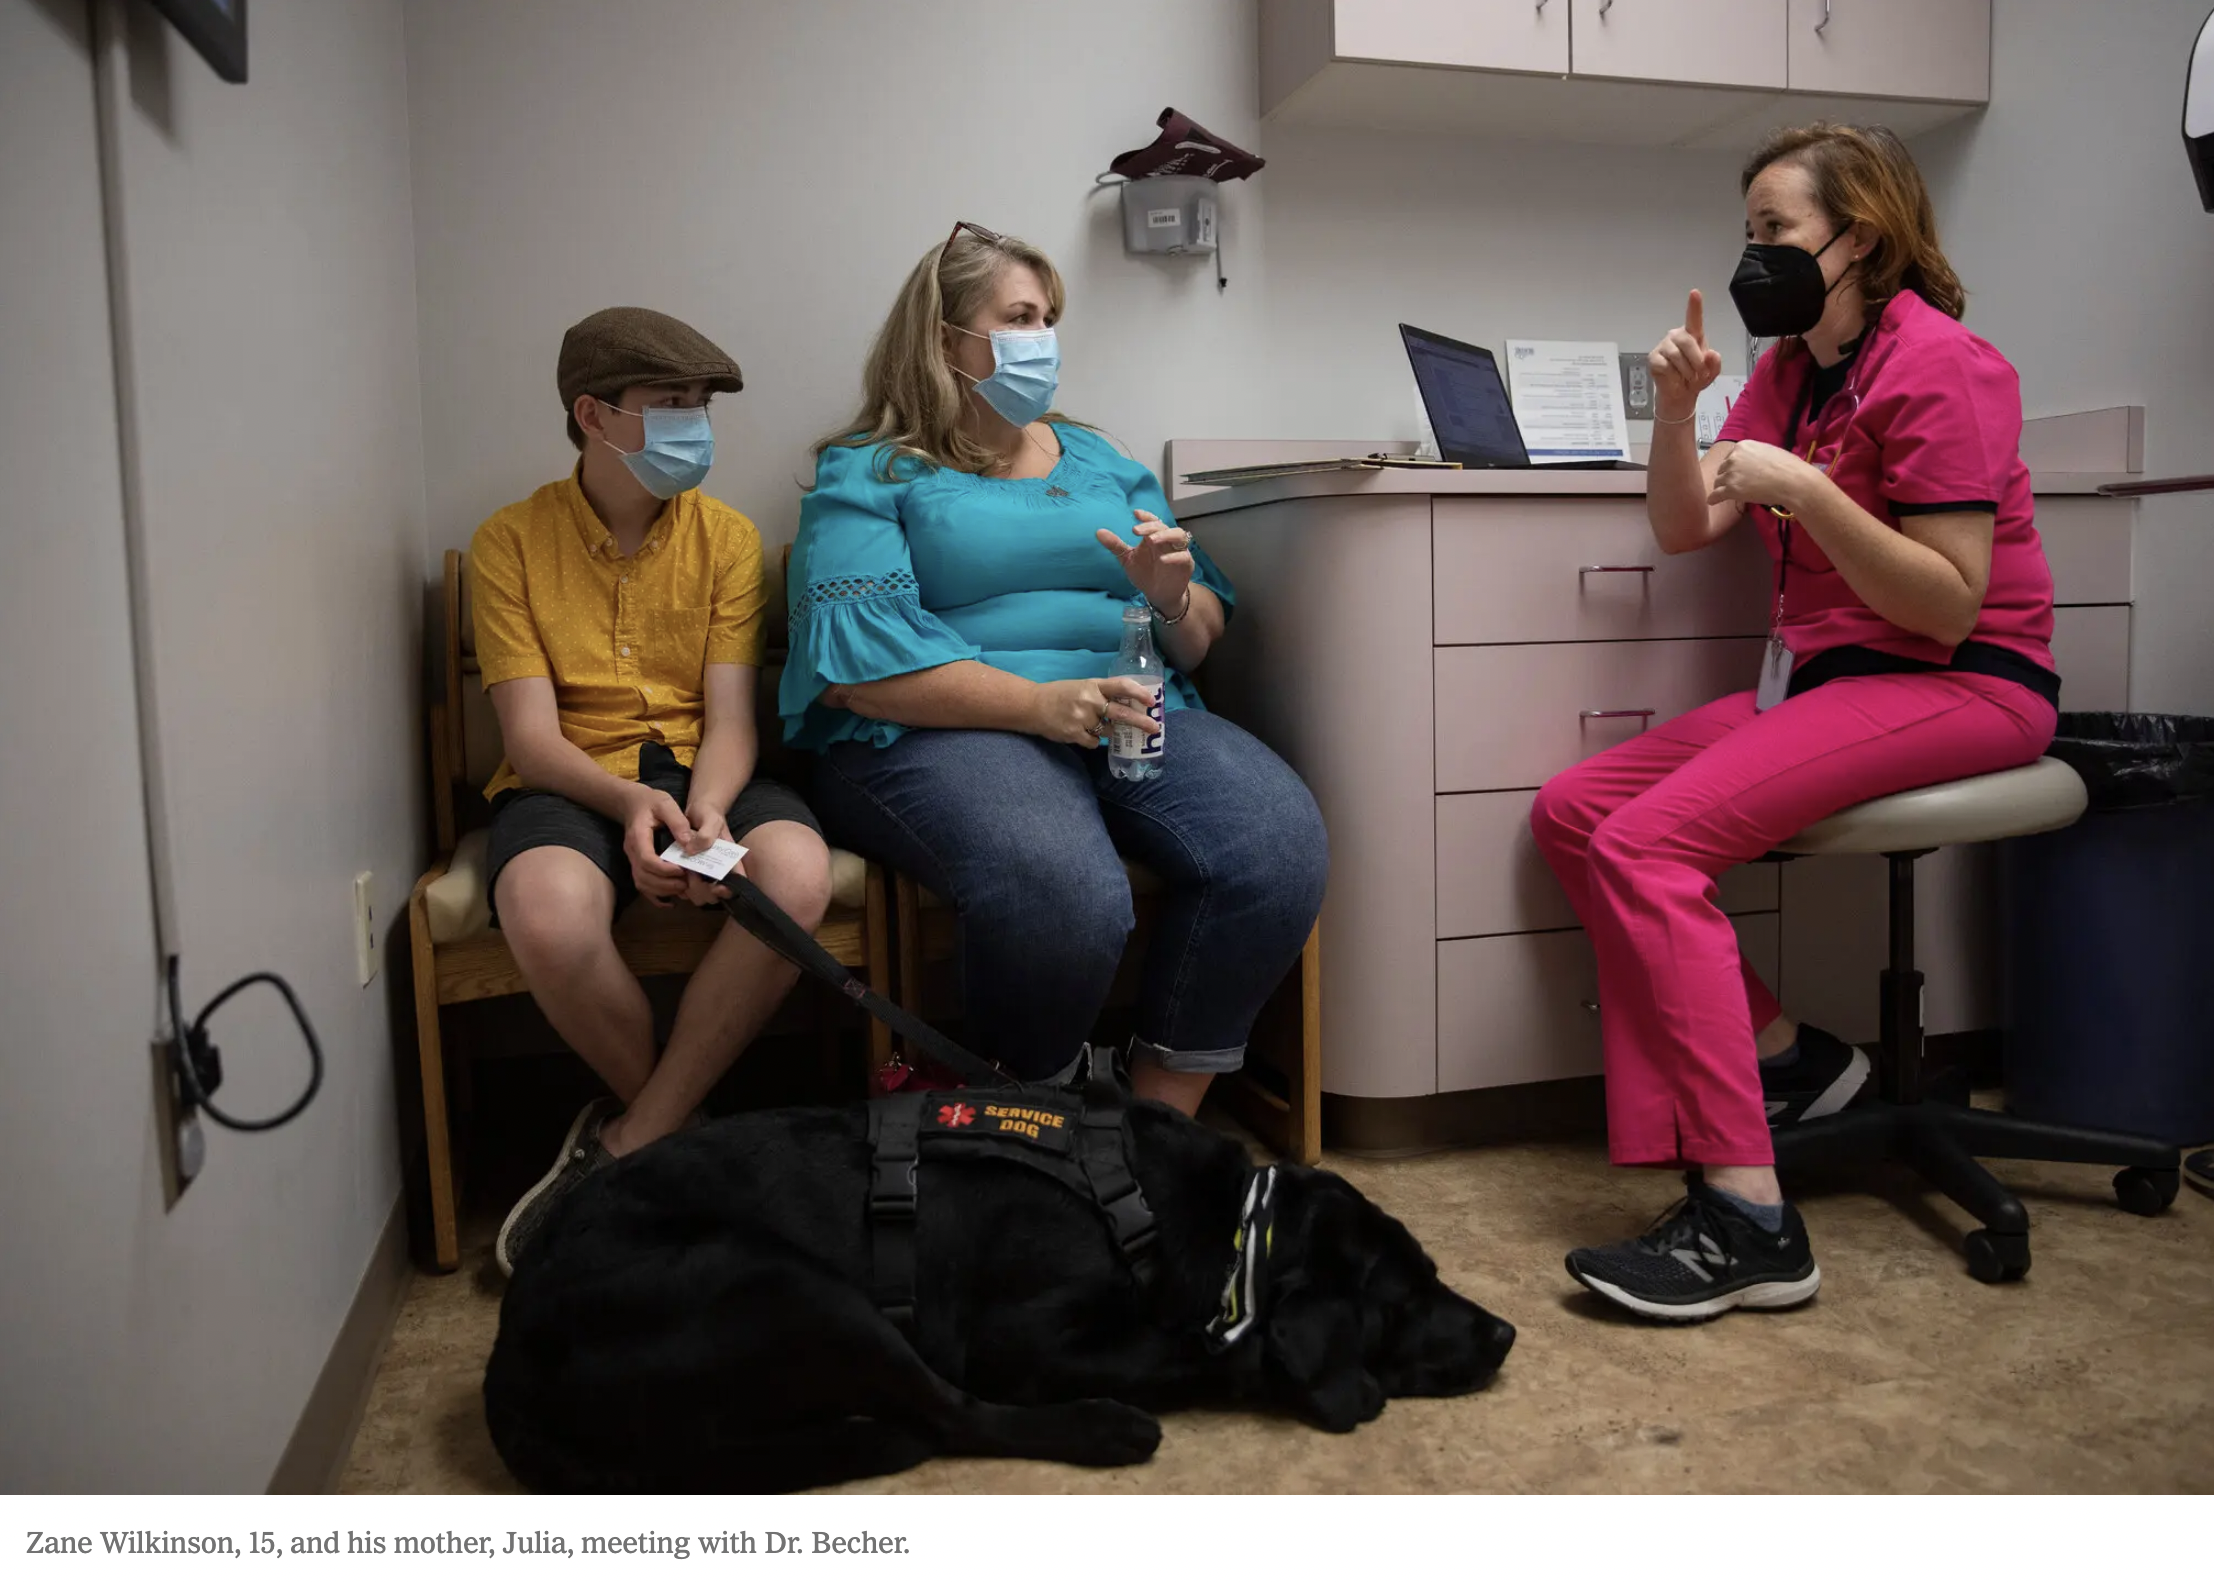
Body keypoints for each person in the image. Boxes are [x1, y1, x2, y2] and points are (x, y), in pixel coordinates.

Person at [1531, 124, 2063, 1321]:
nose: (1753, 253)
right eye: (1750, 231)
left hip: (1964, 678)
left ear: (1859, 235)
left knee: (1647, 845)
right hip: (1834, 676)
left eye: (1774, 229)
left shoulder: (1947, 366)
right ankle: (1793, 1061)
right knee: (1578, 811)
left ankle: (1749, 1218)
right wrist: (1678, 413)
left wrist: (1811, 494)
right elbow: (1685, 528)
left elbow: (1950, 596)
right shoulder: (1788, 370)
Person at [781, 223, 1326, 1114]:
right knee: (1060, 886)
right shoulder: (870, 472)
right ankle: (1029, 1115)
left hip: (1136, 707)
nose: (1043, 340)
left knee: (1274, 841)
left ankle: (1157, 1125)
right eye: (1020, 317)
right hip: (941, 727)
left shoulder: (1101, 459)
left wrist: (1167, 597)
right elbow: (855, 670)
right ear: (946, 336)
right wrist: (1038, 705)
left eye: (1050, 319)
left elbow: (1199, 636)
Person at [472, 307, 834, 1276]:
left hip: (701, 768)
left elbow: (730, 719)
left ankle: (637, 1139)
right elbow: (529, 739)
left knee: (795, 875)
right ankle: (697, 1142)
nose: (695, 425)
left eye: (702, 405)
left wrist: (705, 810)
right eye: (670, 404)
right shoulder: (508, 542)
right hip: (569, 775)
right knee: (548, 912)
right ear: (593, 415)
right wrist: (630, 807)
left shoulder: (726, 539)